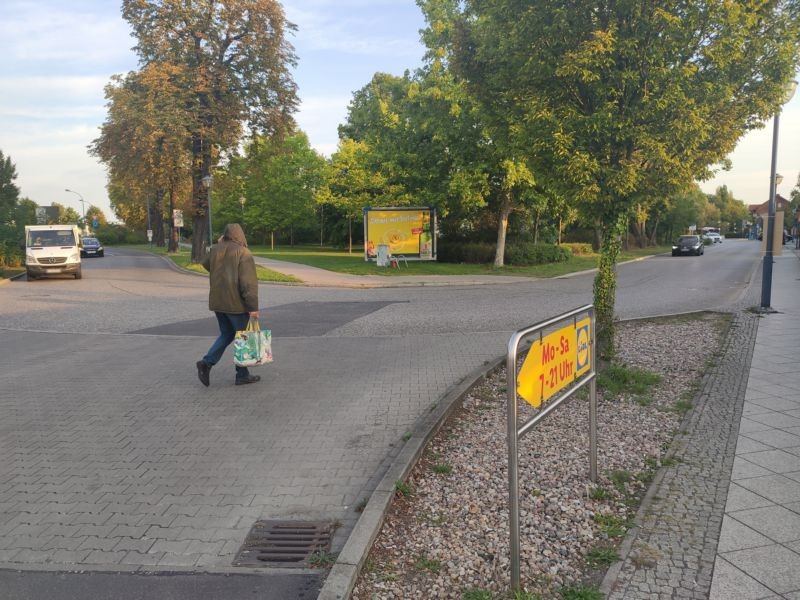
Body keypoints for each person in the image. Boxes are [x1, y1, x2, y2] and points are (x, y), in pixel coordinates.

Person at [196, 223, 261, 386]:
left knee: (227, 334)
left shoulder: (216, 249)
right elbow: (248, 283)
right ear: (240, 235)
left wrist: (218, 244)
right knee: (243, 338)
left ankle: (207, 363)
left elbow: (205, 264)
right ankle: (242, 375)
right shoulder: (244, 252)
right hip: (236, 305)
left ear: (225, 235)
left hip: (218, 303)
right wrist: (253, 307)